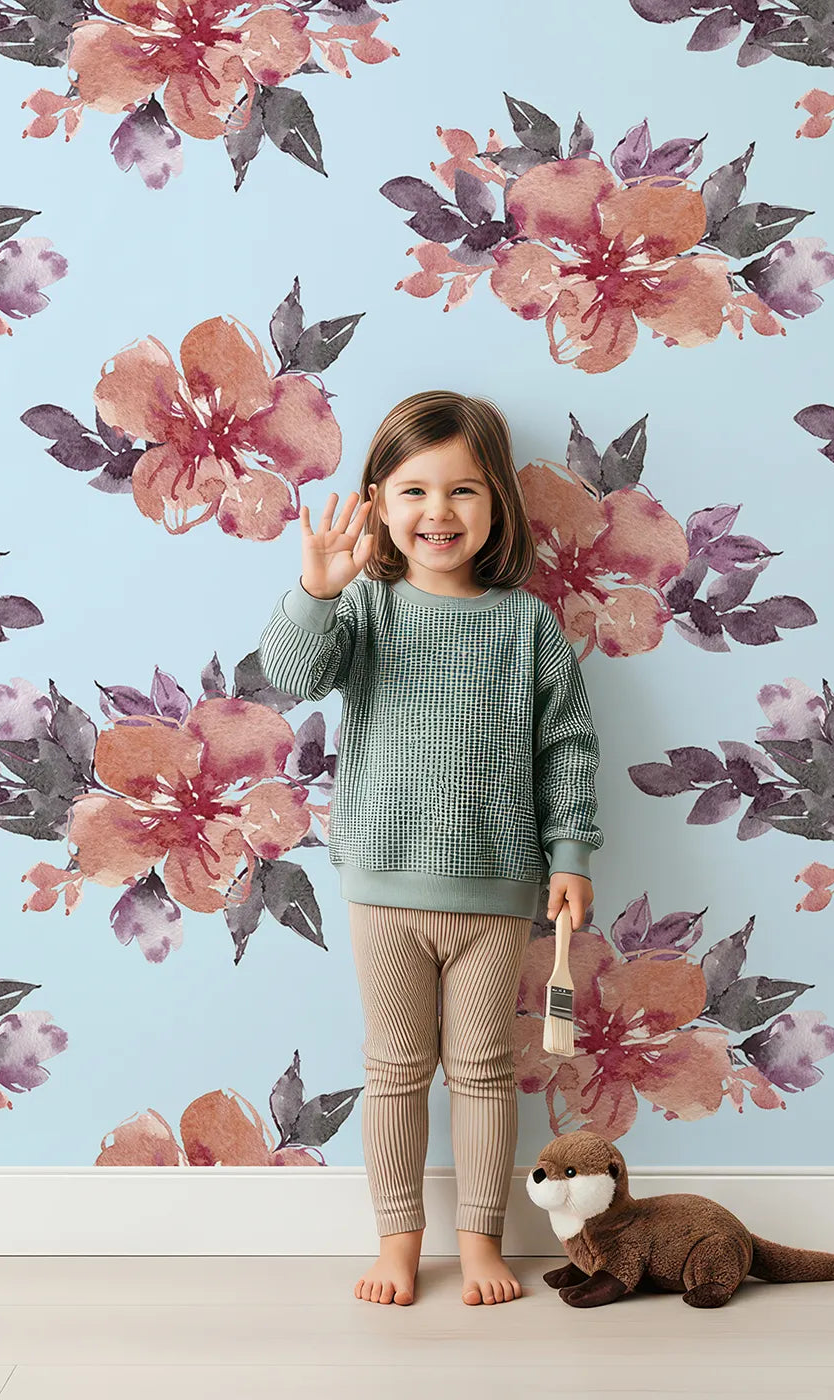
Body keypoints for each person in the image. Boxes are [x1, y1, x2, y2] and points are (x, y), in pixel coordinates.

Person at [257, 389, 602, 1307]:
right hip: (382, 885)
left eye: (463, 492)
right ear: (376, 501)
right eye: (413, 491)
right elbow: (291, 675)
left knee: (486, 1072)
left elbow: (566, 743)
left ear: (497, 509)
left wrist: (570, 854)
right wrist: (315, 591)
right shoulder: (363, 609)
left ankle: (482, 1242)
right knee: (396, 1072)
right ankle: (398, 1243)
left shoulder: (525, 625)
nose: (438, 513)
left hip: (498, 888)